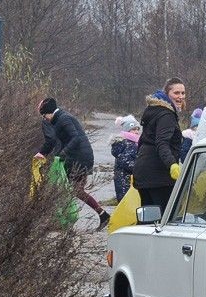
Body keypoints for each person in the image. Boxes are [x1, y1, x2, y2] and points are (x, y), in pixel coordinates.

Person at [37, 97, 110, 230]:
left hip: (80, 158)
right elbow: (52, 141)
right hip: (75, 157)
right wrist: (42, 153)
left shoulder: (64, 119)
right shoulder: (59, 119)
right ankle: (101, 215)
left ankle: (96, 216)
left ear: (49, 112)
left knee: (74, 190)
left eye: (44, 115)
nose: (44, 119)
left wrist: (63, 153)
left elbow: (75, 137)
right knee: (72, 190)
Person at [133, 77, 186, 213]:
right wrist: (172, 164)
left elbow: (142, 141)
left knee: (148, 218)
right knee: (164, 217)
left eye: (183, 93)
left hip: (144, 173)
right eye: (176, 93)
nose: (180, 96)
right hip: (159, 176)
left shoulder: (154, 111)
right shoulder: (166, 115)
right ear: (167, 94)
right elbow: (162, 142)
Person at [110, 114, 140, 201]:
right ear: (127, 130)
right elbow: (127, 162)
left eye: (138, 129)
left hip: (125, 179)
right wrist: (140, 169)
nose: (136, 132)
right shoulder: (128, 144)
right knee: (127, 201)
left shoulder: (132, 143)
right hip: (125, 180)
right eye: (133, 129)